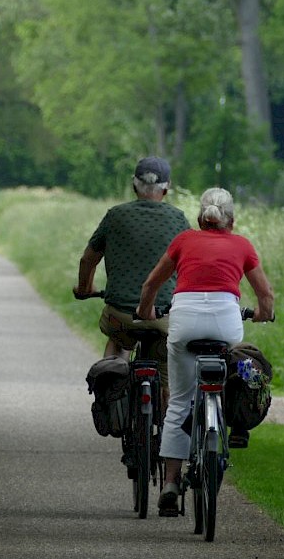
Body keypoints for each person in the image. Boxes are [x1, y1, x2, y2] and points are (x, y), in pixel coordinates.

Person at [135, 187, 274, 517]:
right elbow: (265, 295)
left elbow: (151, 285)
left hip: (184, 324)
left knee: (180, 400)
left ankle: (170, 483)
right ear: (232, 220)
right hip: (226, 326)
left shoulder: (184, 240)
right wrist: (262, 313)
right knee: (224, 373)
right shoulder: (242, 245)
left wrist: (146, 311)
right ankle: (225, 420)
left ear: (201, 218)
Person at [73, 156, 190, 395]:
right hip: (163, 317)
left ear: (134, 185)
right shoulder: (178, 220)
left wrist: (85, 288)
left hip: (121, 315)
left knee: (117, 340)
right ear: (166, 189)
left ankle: (110, 395)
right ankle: (164, 411)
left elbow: (88, 259)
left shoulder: (115, 216)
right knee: (164, 364)